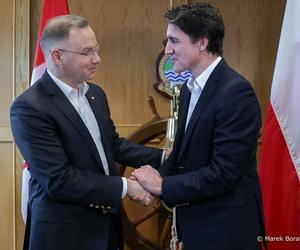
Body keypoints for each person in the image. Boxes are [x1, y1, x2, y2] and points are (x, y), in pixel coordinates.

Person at [10, 15, 163, 250]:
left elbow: (112, 145)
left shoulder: (96, 94)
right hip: (65, 234)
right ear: (57, 56)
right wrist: (127, 186)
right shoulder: (29, 107)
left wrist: (163, 157)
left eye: (96, 49)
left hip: (107, 228)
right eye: (87, 52)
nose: (97, 59)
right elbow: (59, 180)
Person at [132, 3, 266, 250]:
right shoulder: (187, 89)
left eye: (174, 41)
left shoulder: (236, 92)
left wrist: (162, 185)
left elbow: (224, 173)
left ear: (202, 42)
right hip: (197, 225)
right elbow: (183, 157)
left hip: (226, 232)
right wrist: (150, 182)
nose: (168, 50)